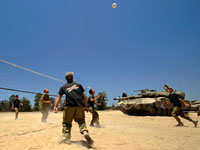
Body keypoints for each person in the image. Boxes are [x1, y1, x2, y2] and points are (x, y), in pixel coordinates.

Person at [53, 72, 93, 145]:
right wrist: (86, 106)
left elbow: (59, 97)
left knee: (67, 123)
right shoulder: (78, 85)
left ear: (65, 78)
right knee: (81, 120)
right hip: (79, 106)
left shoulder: (63, 86)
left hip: (69, 106)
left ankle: (67, 138)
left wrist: (56, 106)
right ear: (72, 77)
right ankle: (85, 132)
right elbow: (84, 96)